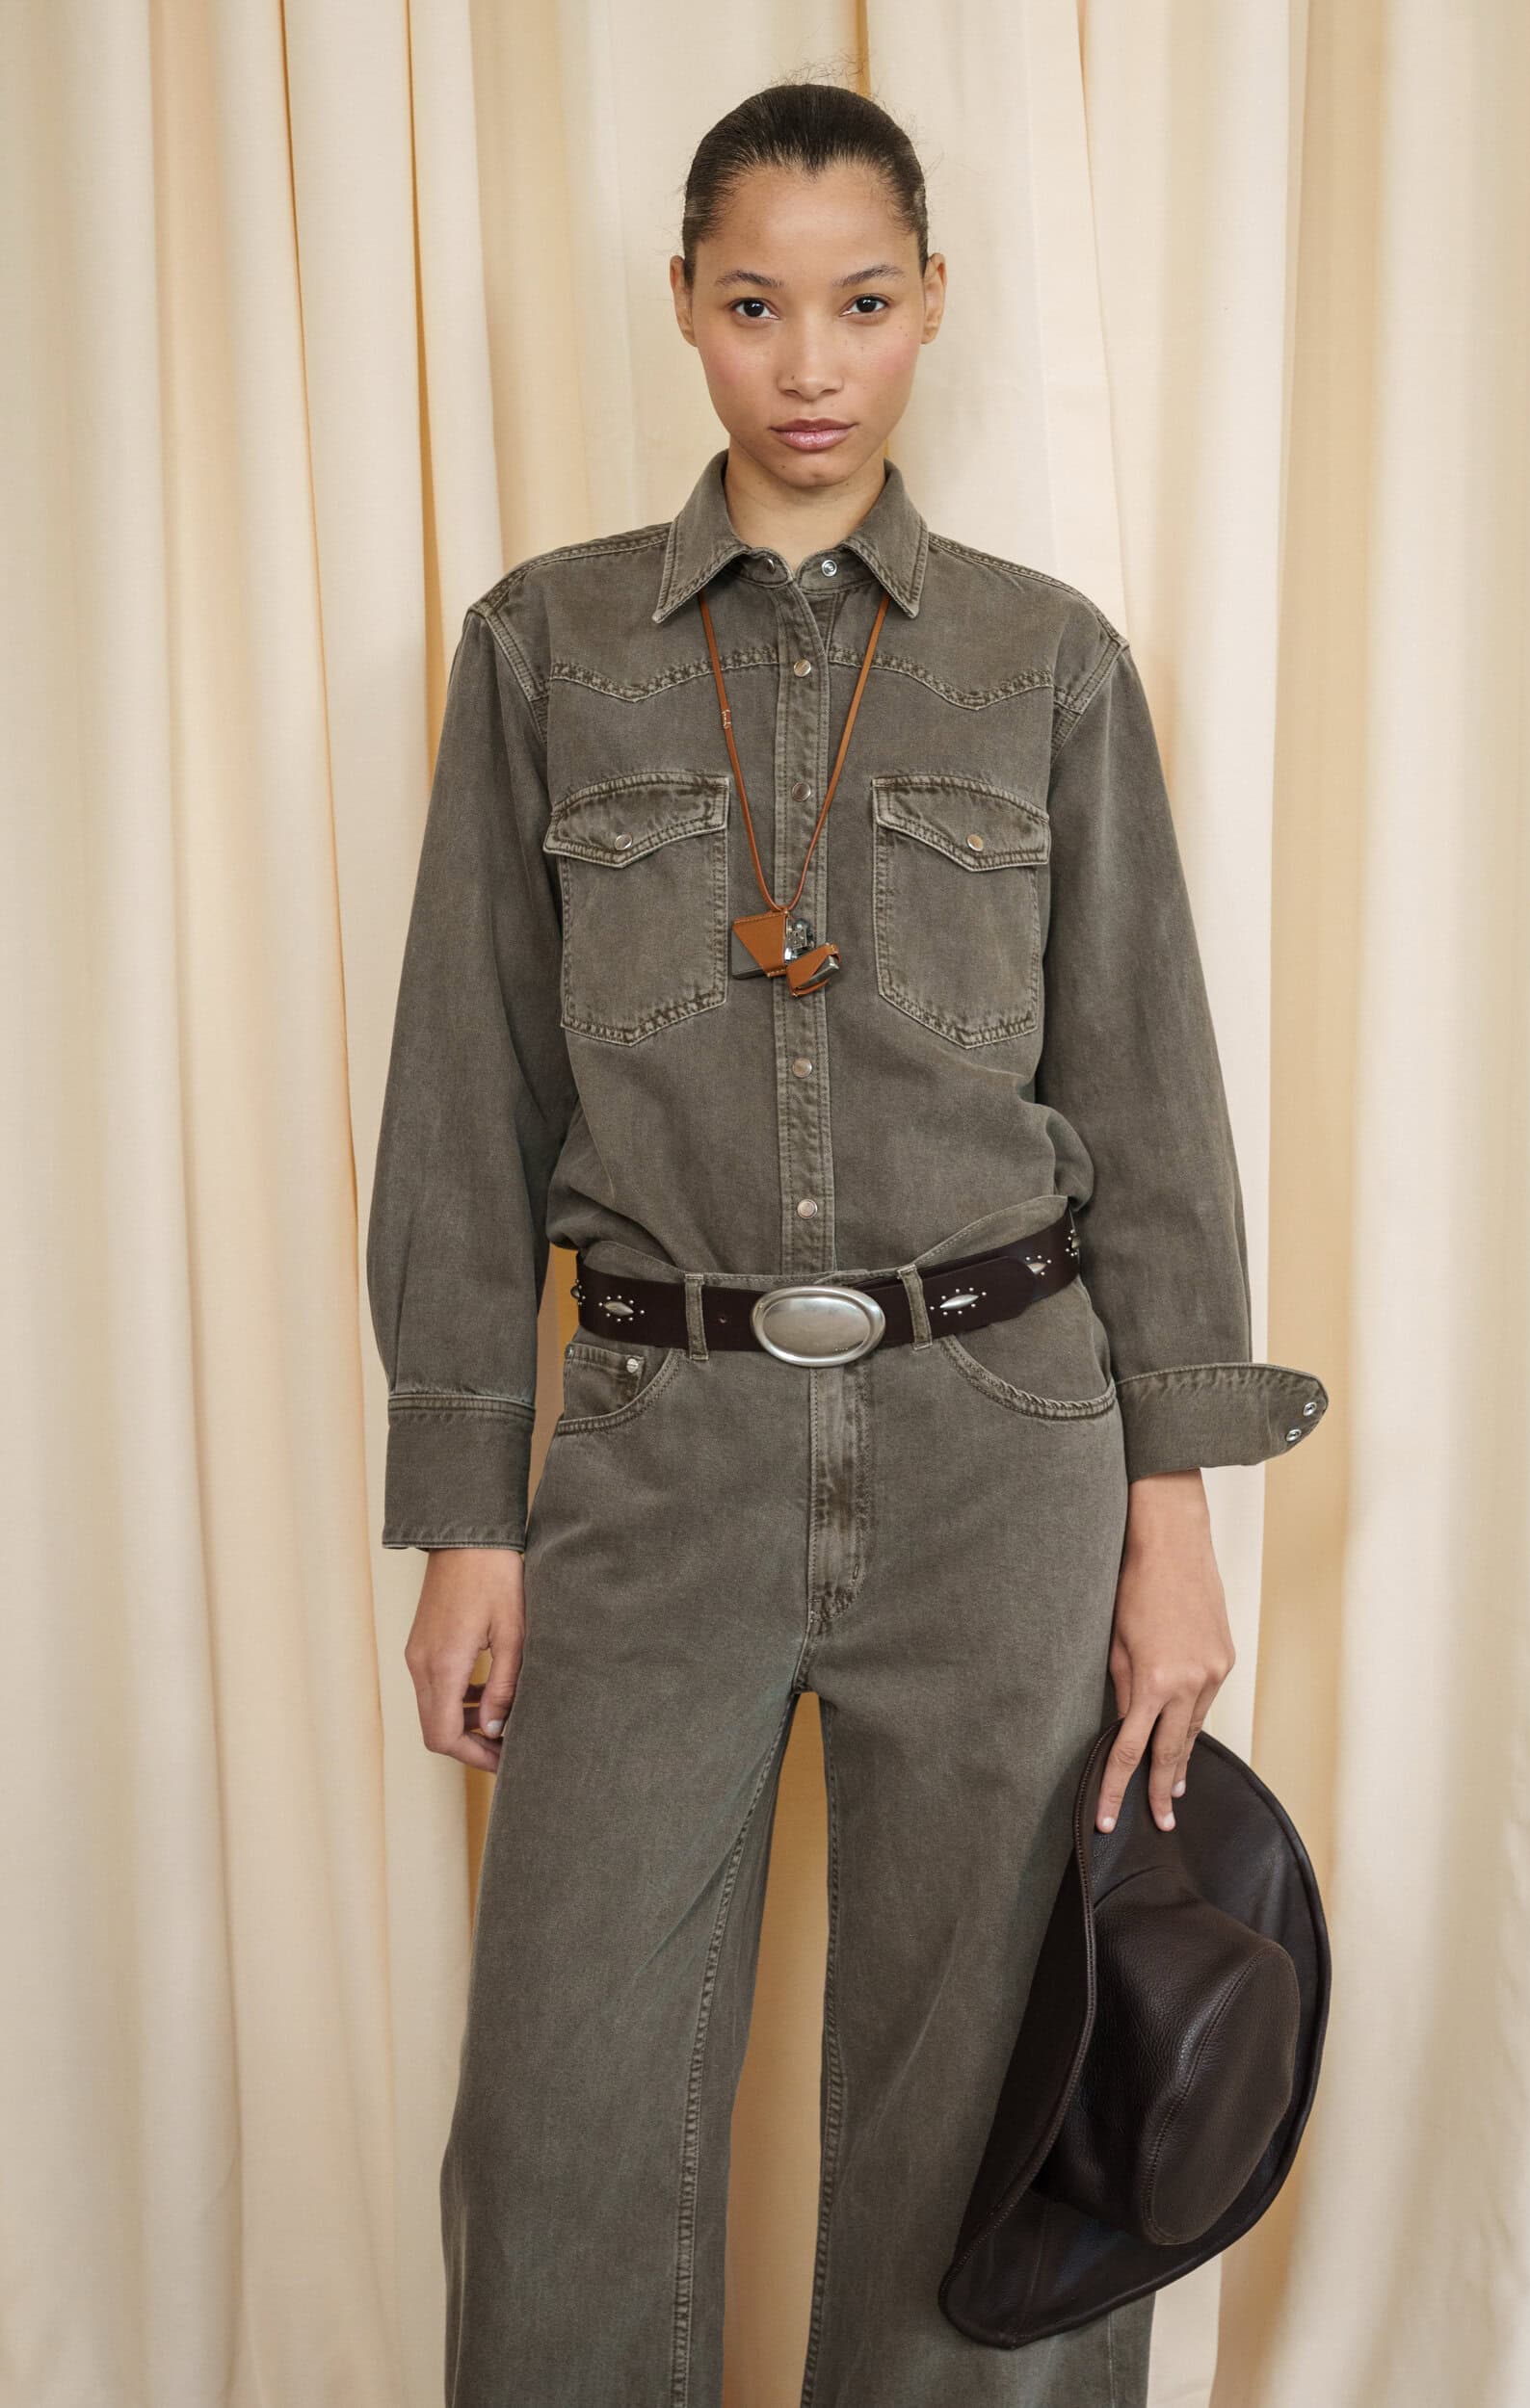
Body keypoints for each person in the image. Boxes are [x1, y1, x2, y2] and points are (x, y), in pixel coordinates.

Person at [365, 77, 1328, 2408]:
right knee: (560, 2118)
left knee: (973, 2117)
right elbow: (468, 1098)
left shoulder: (1043, 662)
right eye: (753, 305)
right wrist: (467, 1507)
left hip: (998, 1448)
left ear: (930, 309)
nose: (808, 364)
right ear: (683, 309)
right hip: (656, 1444)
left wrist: (1170, 1525)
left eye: (861, 304)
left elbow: (1147, 1106)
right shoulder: (542, 649)